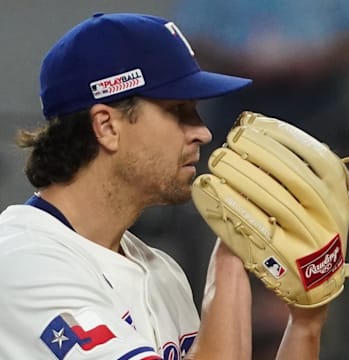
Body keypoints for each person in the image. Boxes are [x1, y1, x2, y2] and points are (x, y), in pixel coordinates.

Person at [0, 12, 328, 359]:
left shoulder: (163, 273)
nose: (202, 131)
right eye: (179, 110)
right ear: (107, 127)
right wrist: (232, 251)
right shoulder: (23, 263)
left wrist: (306, 325)